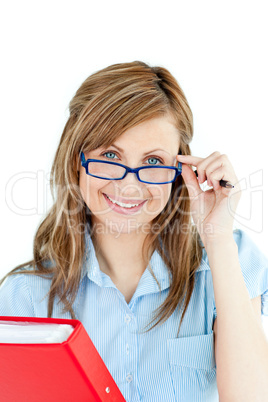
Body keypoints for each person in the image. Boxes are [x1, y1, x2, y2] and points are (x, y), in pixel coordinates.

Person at [0, 61, 268, 401]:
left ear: (181, 170)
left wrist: (217, 239)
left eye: (153, 161)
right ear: (76, 161)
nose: (128, 185)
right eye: (110, 154)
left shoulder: (229, 260)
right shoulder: (26, 296)